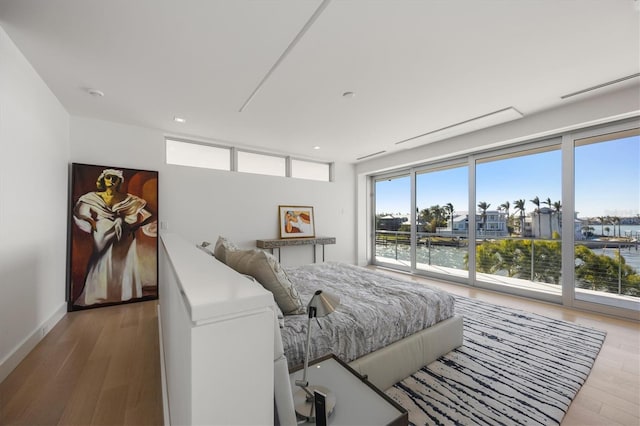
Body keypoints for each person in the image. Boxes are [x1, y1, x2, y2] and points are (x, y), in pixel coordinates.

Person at [73, 168, 156, 306]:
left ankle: (123, 295)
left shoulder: (130, 199)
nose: (111, 181)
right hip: (101, 234)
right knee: (100, 262)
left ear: (119, 182)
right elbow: (78, 213)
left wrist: (136, 226)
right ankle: (98, 296)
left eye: (114, 178)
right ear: (103, 179)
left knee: (123, 264)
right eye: (108, 177)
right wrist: (91, 222)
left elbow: (153, 214)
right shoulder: (91, 197)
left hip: (124, 236)